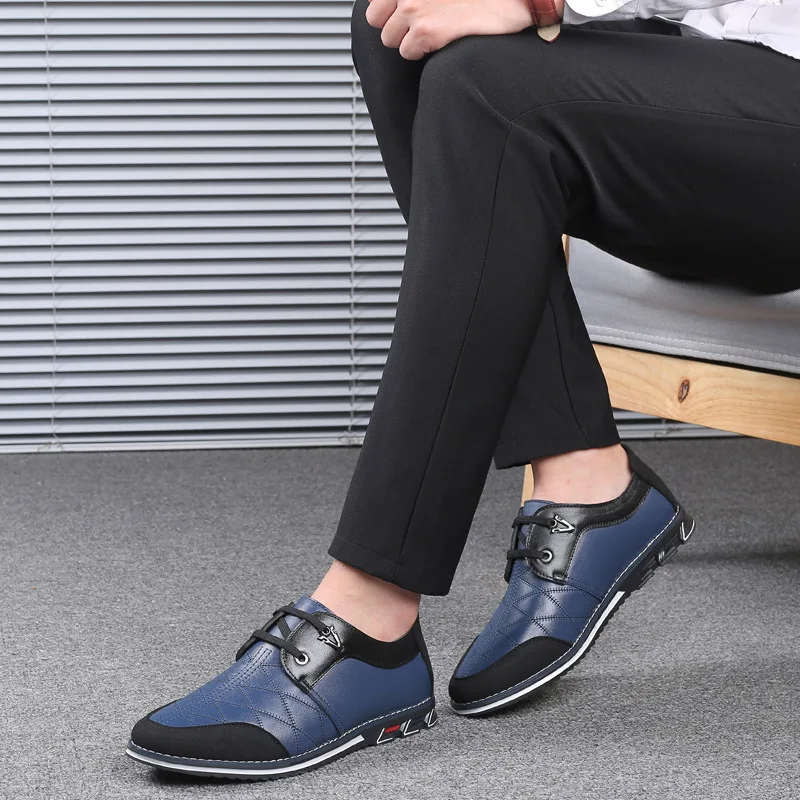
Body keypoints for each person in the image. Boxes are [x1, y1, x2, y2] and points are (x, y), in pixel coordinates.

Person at [125, 0, 800, 780]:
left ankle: (371, 619)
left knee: (488, 86)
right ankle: (584, 473)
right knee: (396, 27)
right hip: (732, 66)